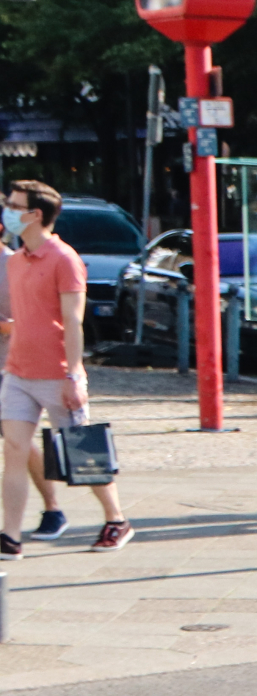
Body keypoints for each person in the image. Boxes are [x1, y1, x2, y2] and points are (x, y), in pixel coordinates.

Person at [0, 180, 130, 555]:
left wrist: (75, 375)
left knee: (82, 453)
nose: (7, 209)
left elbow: (73, 322)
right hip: (18, 372)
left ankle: (116, 518)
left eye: (13, 204)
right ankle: (10, 536)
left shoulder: (64, 259)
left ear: (34, 214)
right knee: (14, 450)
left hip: (58, 374)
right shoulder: (17, 260)